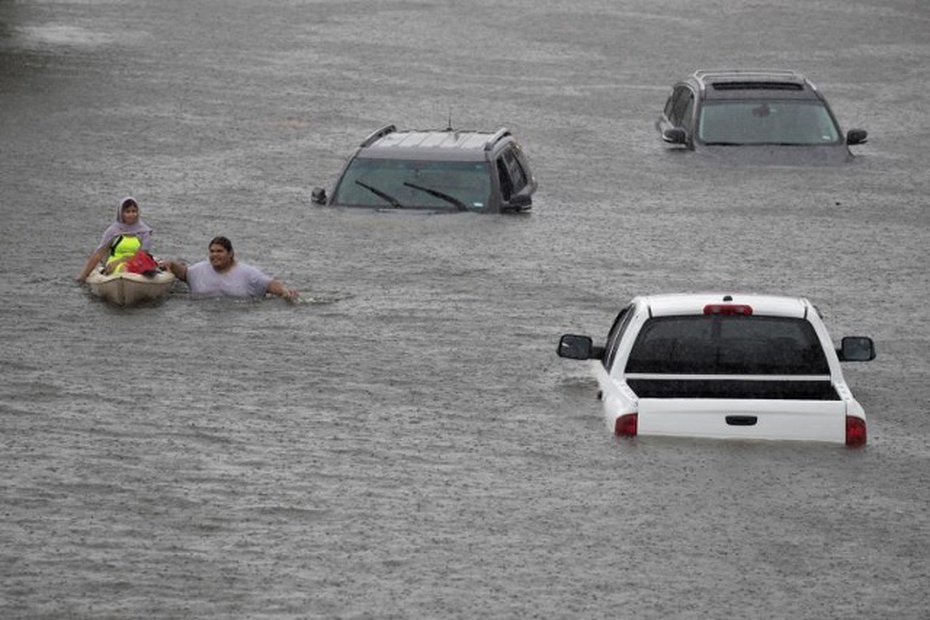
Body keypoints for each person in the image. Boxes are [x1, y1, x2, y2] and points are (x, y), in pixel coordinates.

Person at [161, 236, 298, 301]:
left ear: (231, 254)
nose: (215, 255)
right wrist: (171, 264)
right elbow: (183, 273)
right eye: (212, 251)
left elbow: (270, 284)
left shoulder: (247, 273)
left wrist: (285, 292)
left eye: (219, 251)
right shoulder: (198, 270)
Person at [78, 196, 154, 281]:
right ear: (121, 214)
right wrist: (83, 277)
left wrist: (123, 260)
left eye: (134, 211)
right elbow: (99, 254)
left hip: (137, 263)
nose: (131, 215)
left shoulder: (144, 231)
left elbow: (142, 255)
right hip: (113, 264)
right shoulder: (112, 231)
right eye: (127, 212)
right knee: (124, 268)